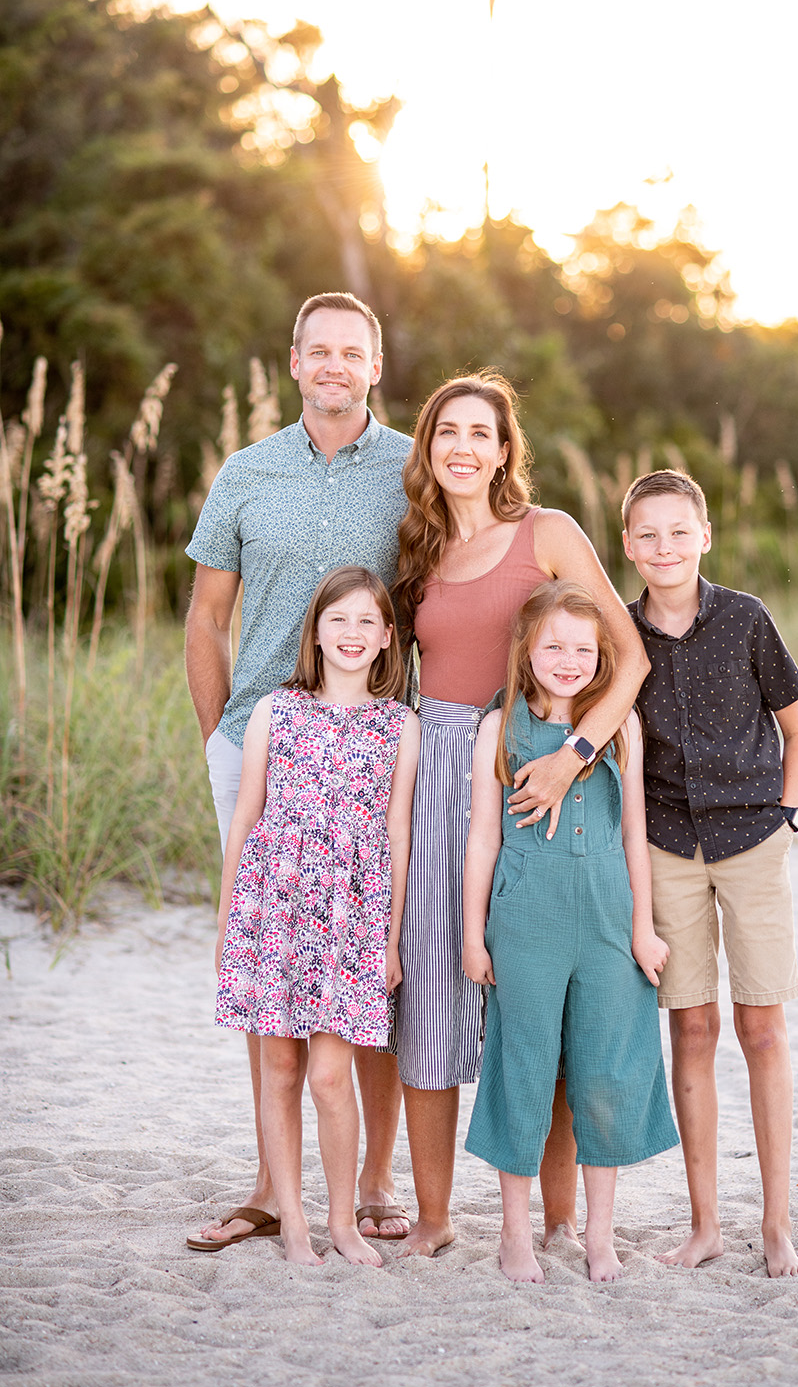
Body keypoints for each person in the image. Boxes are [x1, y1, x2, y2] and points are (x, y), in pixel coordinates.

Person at [391, 373, 650, 1258]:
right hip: (439, 763)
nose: (464, 446)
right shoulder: (415, 550)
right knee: (435, 979)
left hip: (545, 756)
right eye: (446, 432)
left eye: (481, 432)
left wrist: (574, 757)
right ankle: (433, 1218)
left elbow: (630, 658)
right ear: (428, 448)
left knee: (551, 994)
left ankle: (561, 1217)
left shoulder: (549, 533)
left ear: (505, 449)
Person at [185, 292, 414, 1248]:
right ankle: (275, 1186)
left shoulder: (413, 470)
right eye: (316, 351)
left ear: (374, 365)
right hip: (262, 737)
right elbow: (205, 618)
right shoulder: (245, 473)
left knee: (366, 955)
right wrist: (220, 739)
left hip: (373, 743)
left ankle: (367, 1181)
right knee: (270, 961)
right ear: (293, 363)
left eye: (350, 352)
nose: (333, 365)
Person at [621, 468, 798, 1279]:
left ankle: (777, 1225)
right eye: (646, 535)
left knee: (761, 1028)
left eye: (678, 532)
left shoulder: (746, 619)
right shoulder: (619, 634)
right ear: (627, 547)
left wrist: (788, 817)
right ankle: (705, 1225)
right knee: (690, 1030)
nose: (664, 548)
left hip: (751, 839)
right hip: (667, 846)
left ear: (705, 537)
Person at [200, 567, 419, 1266]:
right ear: (316, 634)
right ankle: (293, 1225)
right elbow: (245, 817)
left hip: (351, 919)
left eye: (366, 622)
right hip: (274, 908)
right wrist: (229, 918)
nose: (352, 634)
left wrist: (389, 942)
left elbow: (397, 836)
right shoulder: (275, 710)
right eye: (338, 620)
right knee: (281, 1069)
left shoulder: (400, 725)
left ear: (388, 638)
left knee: (330, 1074)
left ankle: (342, 1222)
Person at [462, 582, 679, 1283]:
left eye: (582, 649)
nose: (567, 659)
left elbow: (636, 835)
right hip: (526, 919)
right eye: (553, 645)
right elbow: (482, 839)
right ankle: (515, 1235)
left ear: (601, 657)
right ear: (526, 649)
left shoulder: (622, 726)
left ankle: (600, 1235)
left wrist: (643, 930)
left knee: (607, 1071)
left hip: (607, 918)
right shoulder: (499, 728)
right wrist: (474, 933)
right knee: (522, 1067)